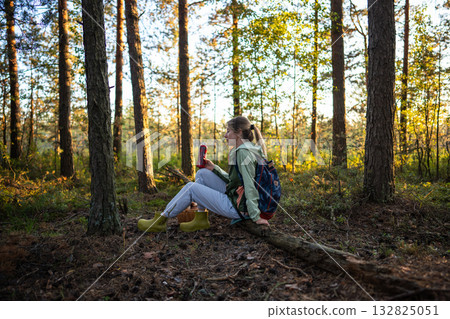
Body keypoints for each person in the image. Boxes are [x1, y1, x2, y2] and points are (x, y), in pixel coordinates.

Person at [137, 116, 270, 233]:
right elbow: (237, 181)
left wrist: (255, 216)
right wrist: (214, 168)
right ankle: (201, 218)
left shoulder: (243, 152)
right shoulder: (250, 148)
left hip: (239, 208)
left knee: (191, 187)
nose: (225, 135)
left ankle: (160, 220)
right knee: (202, 173)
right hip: (240, 199)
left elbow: (250, 184)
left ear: (239, 132)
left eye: (228, 131)